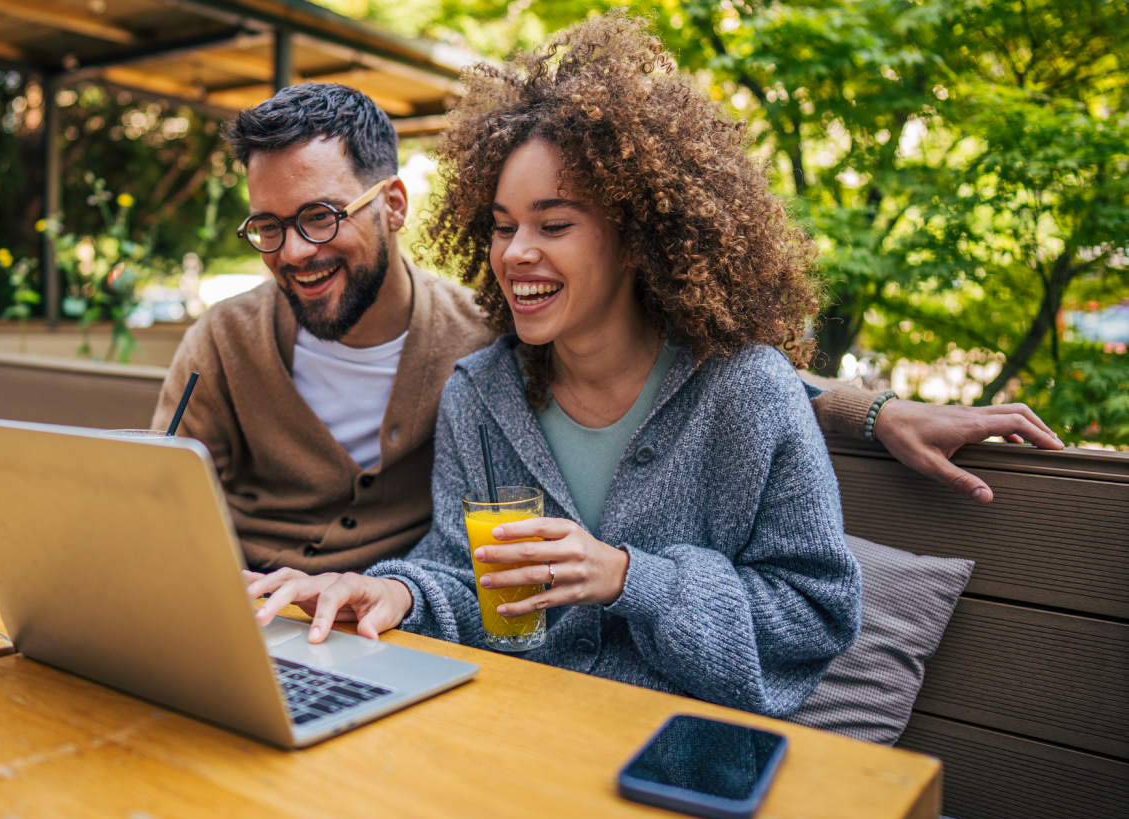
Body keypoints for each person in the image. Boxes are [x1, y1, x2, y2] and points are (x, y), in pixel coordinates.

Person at [153, 83, 1060, 574]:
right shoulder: (224, 343)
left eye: (316, 218)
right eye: (265, 228)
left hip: (392, 632)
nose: (291, 252)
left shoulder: (487, 336)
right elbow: (151, 497)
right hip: (258, 617)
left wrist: (873, 411)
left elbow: (700, 364)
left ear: (390, 204)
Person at [245, 13, 854, 718]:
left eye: (552, 224)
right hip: (517, 732)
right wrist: (397, 591)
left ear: (636, 236)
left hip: (682, 748)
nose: (513, 253)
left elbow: (816, 613)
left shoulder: (744, 391)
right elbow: (462, 577)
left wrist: (630, 578)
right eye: (502, 226)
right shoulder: (481, 392)